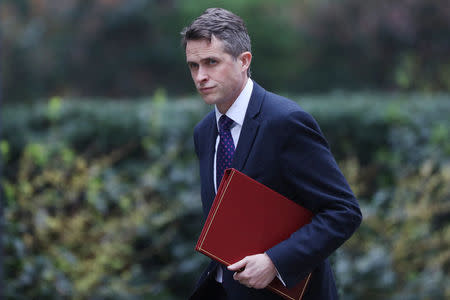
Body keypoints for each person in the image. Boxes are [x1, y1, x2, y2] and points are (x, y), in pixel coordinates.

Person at [181, 8, 362, 300]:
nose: (201, 76)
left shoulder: (286, 122)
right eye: (193, 65)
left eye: (211, 62)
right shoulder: (204, 132)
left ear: (244, 61)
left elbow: (343, 212)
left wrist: (275, 262)